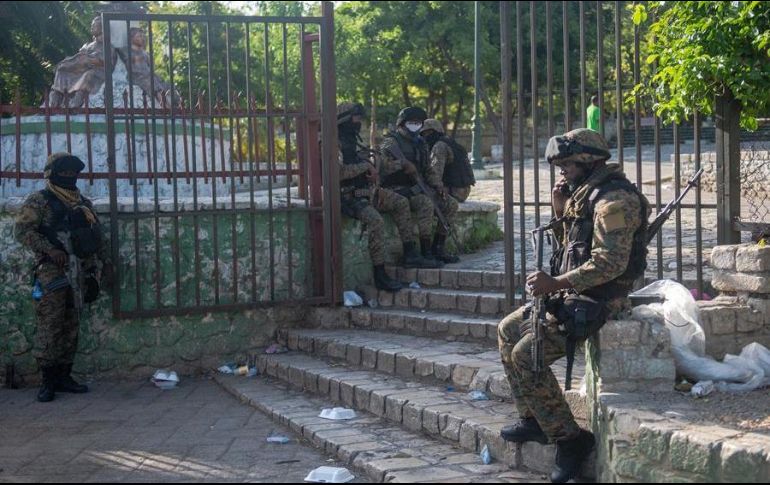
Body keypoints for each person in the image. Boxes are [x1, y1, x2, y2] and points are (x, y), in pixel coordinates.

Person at [497, 129, 649, 483]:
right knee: (506, 330)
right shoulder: (585, 195)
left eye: (566, 164)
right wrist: (560, 211)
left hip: (602, 299)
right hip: (575, 293)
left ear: (588, 162)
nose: (561, 171)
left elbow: (609, 263)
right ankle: (535, 418)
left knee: (526, 355)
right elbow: (572, 249)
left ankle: (572, 440)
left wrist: (556, 284)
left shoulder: (615, 200)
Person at [14, 153, 113, 402]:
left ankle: (64, 376)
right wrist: (50, 249)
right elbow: (23, 231)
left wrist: (104, 263)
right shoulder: (40, 201)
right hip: (52, 271)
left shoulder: (82, 203)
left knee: (71, 323)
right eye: (64, 172)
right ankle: (47, 381)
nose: (69, 176)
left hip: (80, 270)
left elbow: (96, 235)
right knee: (50, 323)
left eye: (73, 172)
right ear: (52, 173)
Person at [337, 103, 437, 291]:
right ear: (345, 119)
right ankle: (380, 273)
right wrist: (367, 167)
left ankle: (411, 252)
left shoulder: (353, 139)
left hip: (368, 191)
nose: (359, 123)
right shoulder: (334, 142)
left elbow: (376, 164)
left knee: (400, 203)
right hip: (347, 196)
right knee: (376, 221)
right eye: (356, 119)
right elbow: (338, 172)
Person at [379, 108, 453, 266]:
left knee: (450, 204)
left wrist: (438, 185)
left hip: (417, 187)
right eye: (411, 123)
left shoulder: (421, 143)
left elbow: (428, 170)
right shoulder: (390, 142)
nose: (415, 126)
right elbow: (382, 168)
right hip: (395, 188)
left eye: (418, 123)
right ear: (402, 124)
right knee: (425, 203)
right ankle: (421, 252)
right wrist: (402, 164)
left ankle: (437, 248)